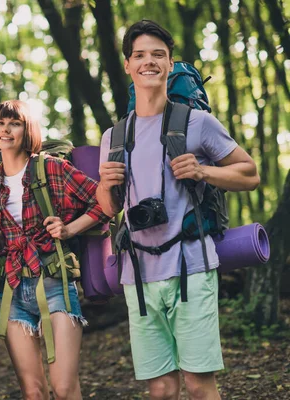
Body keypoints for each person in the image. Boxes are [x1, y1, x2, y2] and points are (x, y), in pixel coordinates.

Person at [96, 20, 260, 400]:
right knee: (161, 388)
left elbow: (250, 173)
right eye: (139, 55)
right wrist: (105, 184)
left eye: (158, 55)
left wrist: (203, 170)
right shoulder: (113, 136)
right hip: (137, 276)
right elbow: (109, 209)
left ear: (170, 65)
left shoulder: (197, 123)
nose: (148, 62)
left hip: (191, 267)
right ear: (127, 65)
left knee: (199, 384)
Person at [0, 100, 111, 400]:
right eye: (0, 123)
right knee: (33, 391)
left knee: (64, 388)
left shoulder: (50, 168)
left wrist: (70, 229)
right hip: (13, 290)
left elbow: (104, 201)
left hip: (55, 283)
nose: (6, 129)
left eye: (14, 123)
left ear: (27, 130)